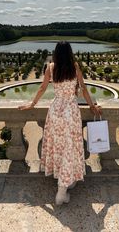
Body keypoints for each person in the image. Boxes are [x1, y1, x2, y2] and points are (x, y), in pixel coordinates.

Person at [19, 41, 102, 205]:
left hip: (56, 111)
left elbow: (42, 88)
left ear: (56, 53)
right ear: (70, 52)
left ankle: (65, 180)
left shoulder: (51, 67)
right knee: (69, 148)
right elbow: (84, 88)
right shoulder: (75, 66)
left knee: (58, 147)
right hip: (71, 112)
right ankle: (62, 190)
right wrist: (92, 106)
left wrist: (32, 104)